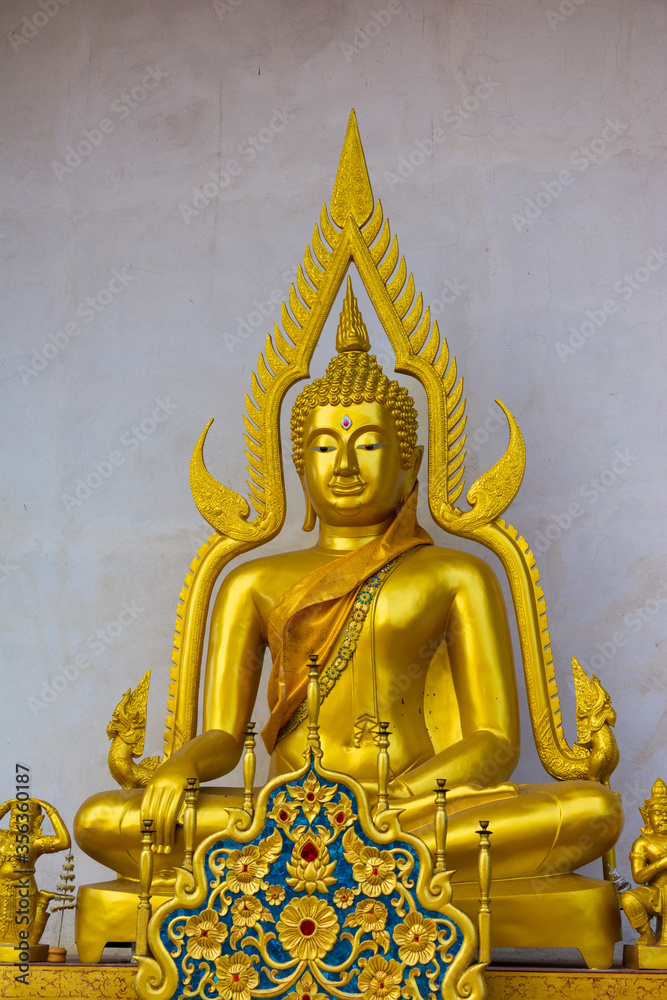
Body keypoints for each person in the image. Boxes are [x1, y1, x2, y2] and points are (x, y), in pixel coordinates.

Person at [75, 283, 621, 891]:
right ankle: (364, 866)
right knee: (102, 820)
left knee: (591, 811)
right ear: (298, 467)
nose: (344, 465)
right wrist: (182, 766)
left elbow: (494, 742)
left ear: (411, 463)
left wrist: (393, 802)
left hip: (412, 809)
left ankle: (325, 864)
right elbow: (225, 737)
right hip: (281, 817)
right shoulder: (251, 582)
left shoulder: (457, 574)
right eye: (324, 445)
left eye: (368, 444)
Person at [0, 798, 70, 947]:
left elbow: (64, 842)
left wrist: (51, 811)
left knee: (27, 937)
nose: (16, 820)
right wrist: (5, 807)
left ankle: (42, 903)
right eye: (14, 816)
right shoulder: (3, 836)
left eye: (23, 817)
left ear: (36, 822)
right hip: (1, 887)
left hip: (23, 889)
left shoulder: (35, 841)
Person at [621, 778, 667, 946]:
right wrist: (661, 864)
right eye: (658, 813)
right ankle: (646, 934)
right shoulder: (642, 843)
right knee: (629, 898)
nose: (664, 818)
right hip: (654, 892)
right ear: (648, 816)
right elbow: (639, 877)